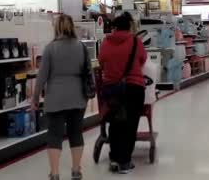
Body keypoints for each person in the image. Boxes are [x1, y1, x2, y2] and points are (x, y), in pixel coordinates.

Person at [32, 14, 90, 180]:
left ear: (56, 28)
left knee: (54, 135)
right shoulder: (81, 47)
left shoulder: (50, 48)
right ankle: (76, 170)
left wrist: (35, 98)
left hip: (55, 98)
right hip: (78, 97)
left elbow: (42, 77)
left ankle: (55, 173)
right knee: (76, 133)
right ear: (72, 27)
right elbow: (88, 72)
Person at [98, 14, 147, 174]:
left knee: (115, 123)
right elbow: (142, 59)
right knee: (130, 124)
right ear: (129, 26)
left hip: (111, 88)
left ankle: (114, 158)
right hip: (133, 87)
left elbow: (101, 61)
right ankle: (124, 162)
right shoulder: (135, 41)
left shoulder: (106, 42)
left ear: (115, 27)